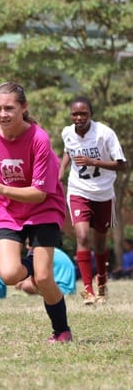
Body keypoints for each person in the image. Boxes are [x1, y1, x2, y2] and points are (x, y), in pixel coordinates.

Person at [0, 81, 71, 343]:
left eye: (9, 108)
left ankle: (61, 330)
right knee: (8, 275)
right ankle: (33, 261)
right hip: (6, 210)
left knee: (43, 278)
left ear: (24, 107)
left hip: (43, 207)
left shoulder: (39, 138)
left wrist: (2, 188)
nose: (2, 114)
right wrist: (2, 191)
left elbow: (39, 194)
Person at [59, 96, 127, 305]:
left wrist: (93, 161)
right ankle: (87, 290)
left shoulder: (105, 134)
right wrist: (61, 171)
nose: (79, 117)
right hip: (79, 190)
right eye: (75, 114)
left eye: (83, 113)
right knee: (82, 237)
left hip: (103, 193)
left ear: (91, 114)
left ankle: (102, 282)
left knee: (99, 242)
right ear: (71, 115)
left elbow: (121, 165)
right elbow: (67, 151)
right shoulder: (67, 132)